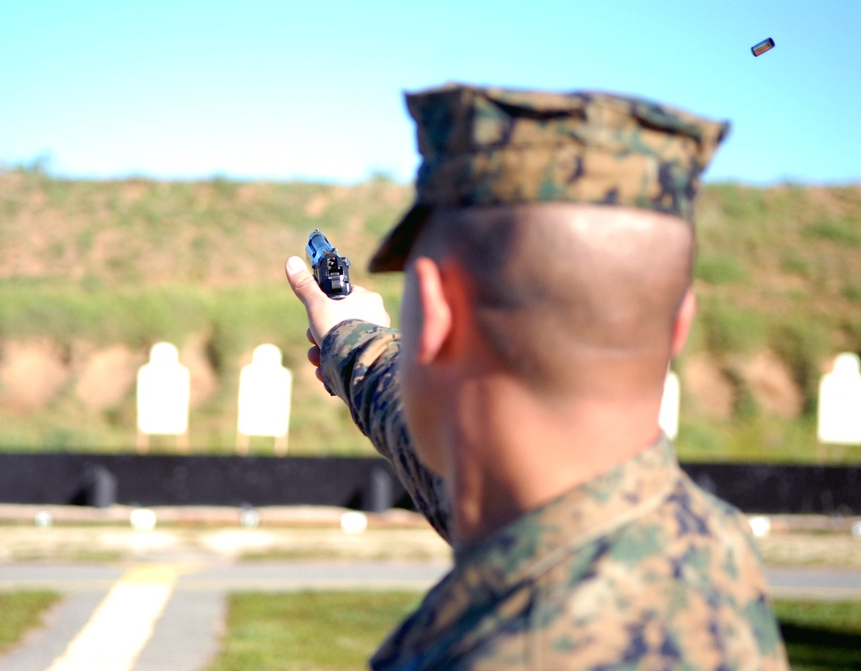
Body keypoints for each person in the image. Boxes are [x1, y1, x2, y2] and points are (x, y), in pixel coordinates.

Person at [285, 83, 788, 670]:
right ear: (679, 324)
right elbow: (476, 489)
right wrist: (354, 340)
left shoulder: (503, 648)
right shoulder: (701, 540)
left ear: (436, 310)